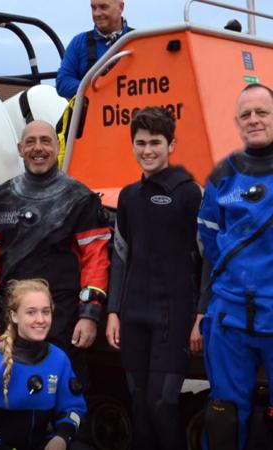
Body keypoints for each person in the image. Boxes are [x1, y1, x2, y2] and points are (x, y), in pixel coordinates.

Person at [0, 120, 111, 387]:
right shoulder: (1, 197)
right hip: (12, 317)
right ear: (19, 148)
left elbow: (97, 259)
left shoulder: (81, 197)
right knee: (13, 390)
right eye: (31, 142)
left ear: (57, 147)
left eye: (46, 140)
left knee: (65, 390)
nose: (38, 148)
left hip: (63, 317)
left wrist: (89, 315)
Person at [105, 107, 202, 450]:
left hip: (173, 318)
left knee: (163, 405)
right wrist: (113, 310)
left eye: (156, 143)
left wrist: (201, 316)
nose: (147, 150)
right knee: (139, 405)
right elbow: (120, 256)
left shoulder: (190, 193)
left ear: (171, 145)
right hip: (133, 317)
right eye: (140, 143)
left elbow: (209, 260)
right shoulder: (129, 197)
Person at [198, 82, 273, 450]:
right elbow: (209, 241)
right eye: (246, 115)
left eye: (262, 113)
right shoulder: (221, 176)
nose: (254, 120)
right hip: (230, 320)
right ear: (238, 123)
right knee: (225, 414)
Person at [0, 279, 88, 450]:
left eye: (46, 311)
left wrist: (62, 438)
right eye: (31, 312)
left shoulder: (59, 359)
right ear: (14, 316)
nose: (40, 319)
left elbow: (74, 407)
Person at [56, 0, 132, 99]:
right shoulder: (78, 43)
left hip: (135, 111)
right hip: (93, 112)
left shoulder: (140, 40)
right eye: (93, 8)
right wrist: (97, 89)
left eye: (103, 7)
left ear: (121, 8)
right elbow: (63, 83)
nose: (97, 13)